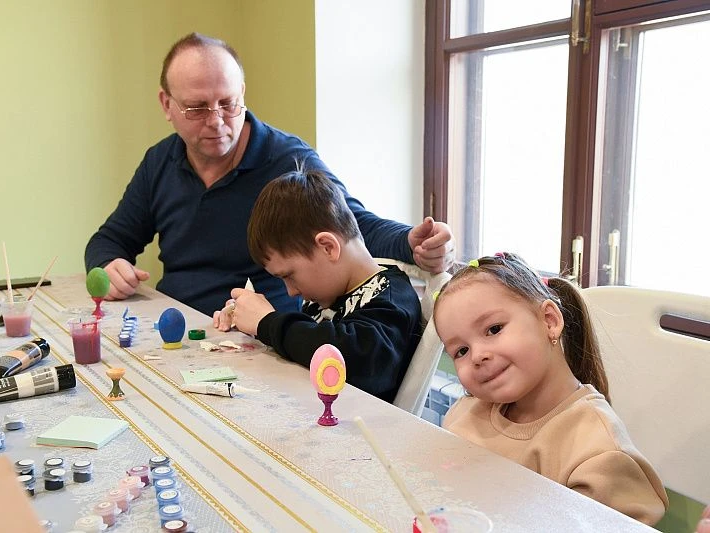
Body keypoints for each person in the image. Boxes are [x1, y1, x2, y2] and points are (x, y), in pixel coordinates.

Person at [84, 32, 454, 317]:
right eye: (197, 108)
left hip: (262, 337)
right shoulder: (160, 161)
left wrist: (412, 242)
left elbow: (352, 225)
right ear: (167, 105)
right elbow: (109, 240)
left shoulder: (287, 159)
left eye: (228, 103)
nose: (216, 121)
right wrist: (108, 265)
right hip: (177, 328)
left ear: (243, 93)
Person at [433, 253, 668, 526]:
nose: (477, 356)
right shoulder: (466, 413)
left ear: (549, 321)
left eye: (494, 329)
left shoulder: (598, 453)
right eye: (461, 351)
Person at [213, 168, 423, 403]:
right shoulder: (326, 297)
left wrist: (267, 323)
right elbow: (306, 345)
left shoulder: (392, 298)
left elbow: (355, 359)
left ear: (327, 247)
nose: (291, 291)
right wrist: (251, 324)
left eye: (289, 275)